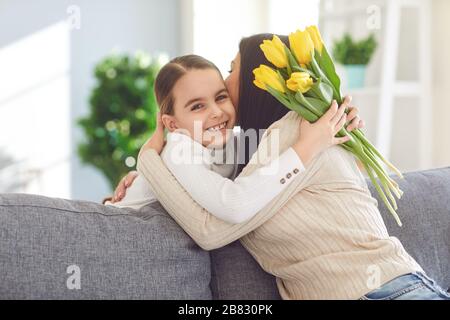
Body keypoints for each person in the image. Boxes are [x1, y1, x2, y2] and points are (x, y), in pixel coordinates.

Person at [117, 34, 450, 300]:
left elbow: (211, 229)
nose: (226, 85)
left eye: (232, 72)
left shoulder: (298, 135)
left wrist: (149, 159)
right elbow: (218, 186)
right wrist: (141, 181)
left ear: (257, 81)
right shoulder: (258, 151)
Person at [106, 54, 350, 224]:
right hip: (119, 228)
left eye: (221, 97)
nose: (216, 112)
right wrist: (305, 148)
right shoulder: (179, 148)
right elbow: (234, 205)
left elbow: (279, 143)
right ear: (172, 124)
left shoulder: (233, 143)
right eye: (198, 106)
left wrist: (338, 119)